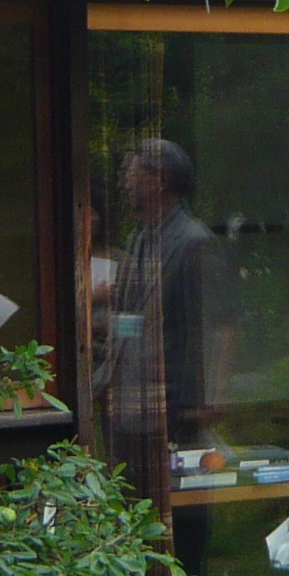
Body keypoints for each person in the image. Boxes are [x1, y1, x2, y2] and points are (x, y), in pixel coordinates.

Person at [93, 138, 235, 507]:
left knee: (180, 510)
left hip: (175, 407)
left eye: (131, 172)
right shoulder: (140, 239)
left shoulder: (193, 244)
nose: (123, 181)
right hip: (133, 404)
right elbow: (131, 317)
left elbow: (220, 327)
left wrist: (208, 401)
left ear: (158, 181)